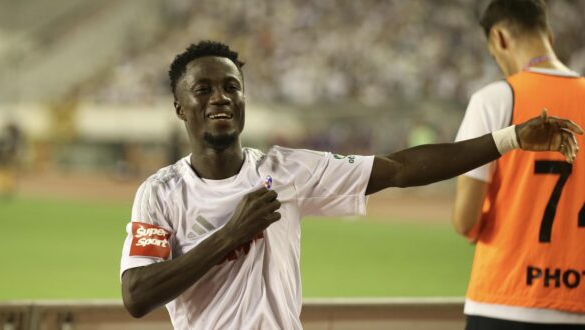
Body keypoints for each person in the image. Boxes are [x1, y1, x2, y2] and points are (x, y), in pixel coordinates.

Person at [120, 40, 581, 329]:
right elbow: (137, 295)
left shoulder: (286, 172)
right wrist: (230, 235)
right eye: (203, 89)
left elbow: (399, 169)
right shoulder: (159, 194)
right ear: (180, 107)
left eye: (232, 86)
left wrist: (510, 137)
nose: (221, 97)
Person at [452, 1, 585, 329]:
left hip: (504, 299)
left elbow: (465, 220)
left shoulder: (495, 98)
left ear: (498, 39)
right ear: (549, 37)